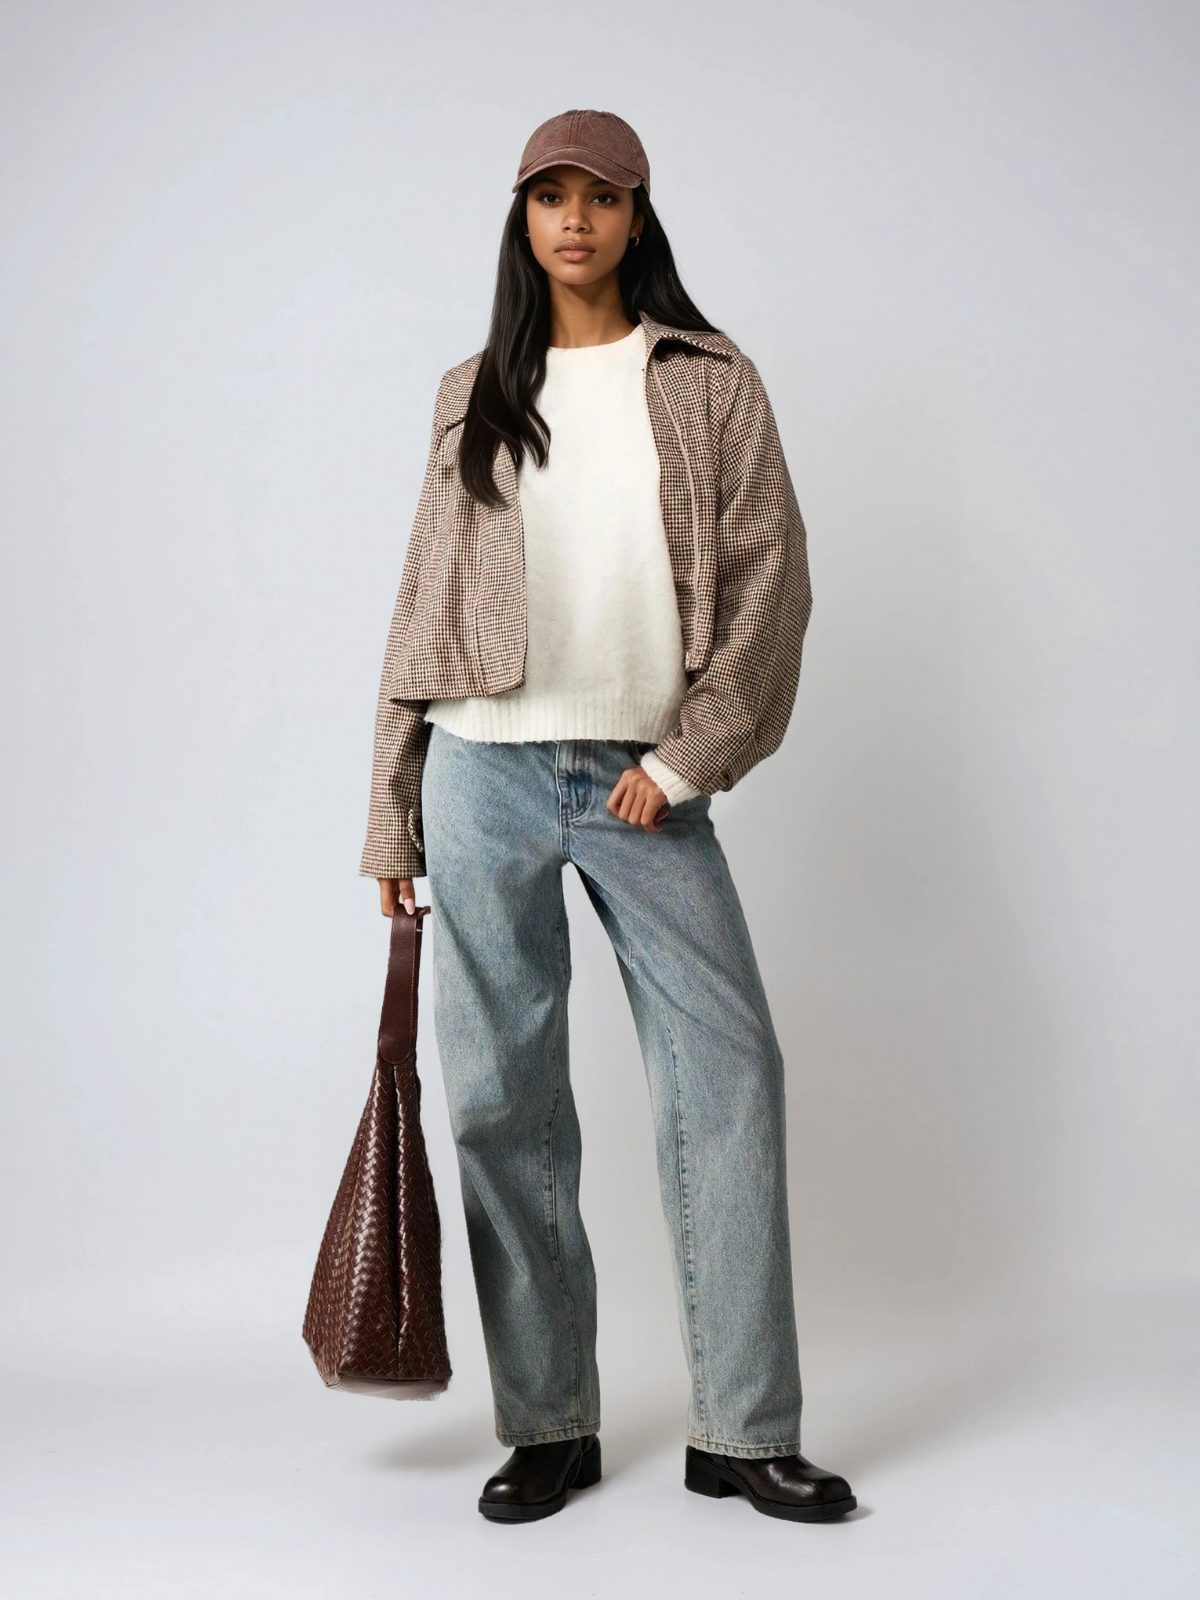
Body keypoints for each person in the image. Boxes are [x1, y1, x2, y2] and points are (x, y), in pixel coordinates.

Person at [360, 108, 855, 1525]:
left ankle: (744, 1430)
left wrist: (689, 762)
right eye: (550, 196)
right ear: (522, 219)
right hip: (479, 771)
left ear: (639, 217)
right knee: (502, 1099)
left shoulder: (709, 380)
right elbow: (420, 606)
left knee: (729, 1073)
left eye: (602, 196)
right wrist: (392, 811)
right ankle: (549, 1426)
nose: (575, 220)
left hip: (644, 777)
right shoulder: (473, 391)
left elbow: (773, 583)